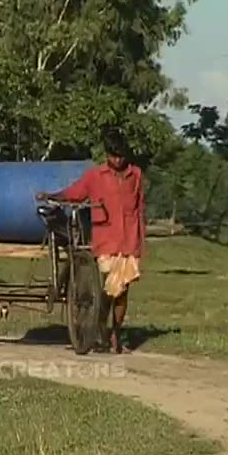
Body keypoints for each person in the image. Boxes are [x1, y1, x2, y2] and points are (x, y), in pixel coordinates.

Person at [36, 132, 146, 354]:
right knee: (107, 290)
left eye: (121, 156)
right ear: (107, 155)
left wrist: (141, 241)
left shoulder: (135, 175)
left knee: (123, 291)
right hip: (106, 240)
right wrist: (53, 196)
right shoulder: (95, 176)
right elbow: (75, 193)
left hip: (129, 240)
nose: (118, 161)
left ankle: (115, 333)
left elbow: (140, 208)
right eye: (114, 156)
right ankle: (102, 330)